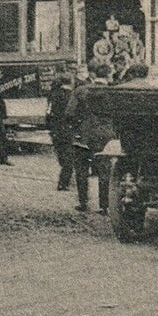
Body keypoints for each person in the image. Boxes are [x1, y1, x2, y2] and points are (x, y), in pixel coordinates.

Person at [66, 62, 116, 214]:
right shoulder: (114, 92)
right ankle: (104, 206)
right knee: (104, 170)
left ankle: (83, 203)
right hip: (106, 136)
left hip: (83, 136)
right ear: (108, 75)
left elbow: (69, 113)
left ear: (93, 74)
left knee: (81, 170)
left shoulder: (81, 90)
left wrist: (77, 127)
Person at [46, 65, 81, 191]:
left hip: (56, 130)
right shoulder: (72, 96)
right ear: (70, 82)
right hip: (68, 130)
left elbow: (49, 113)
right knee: (69, 157)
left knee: (62, 155)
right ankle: (64, 182)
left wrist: (51, 129)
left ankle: (66, 180)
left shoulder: (54, 95)